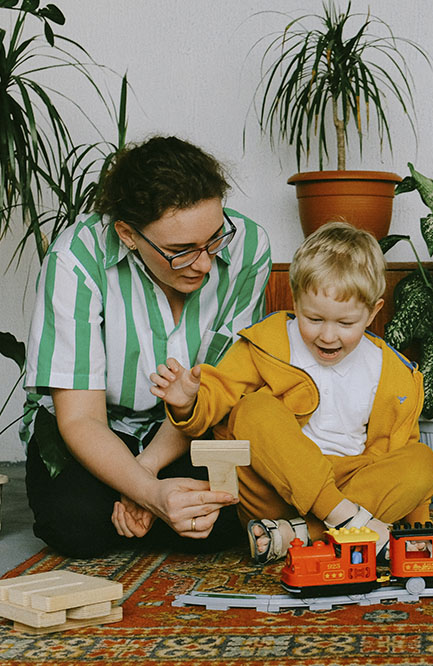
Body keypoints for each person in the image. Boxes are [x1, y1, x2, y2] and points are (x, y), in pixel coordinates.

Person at [22, 136, 272, 558]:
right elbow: (81, 419)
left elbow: (220, 388)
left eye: (214, 239)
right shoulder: (75, 258)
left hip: (192, 425)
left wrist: (146, 472)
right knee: (77, 527)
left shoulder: (248, 247)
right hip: (95, 428)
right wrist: (152, 494)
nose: (205, 263)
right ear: (128, 235)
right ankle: (147, 512)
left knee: (222, 522)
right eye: (180, 251)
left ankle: (144, 510)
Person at [149, 221, 433, 563]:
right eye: (314, 319)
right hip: (274, 489)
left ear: (373, 312)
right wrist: (188, 403)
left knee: (422, 461)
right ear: (296, 300)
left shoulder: (393, 373)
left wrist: (419, 531)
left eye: (345, 323)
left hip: (353, 488)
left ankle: (300, 534)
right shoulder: (268, 342)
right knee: (253, 409)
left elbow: (401, 450)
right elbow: (219, 393)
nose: (327, 336)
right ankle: (342, 520)